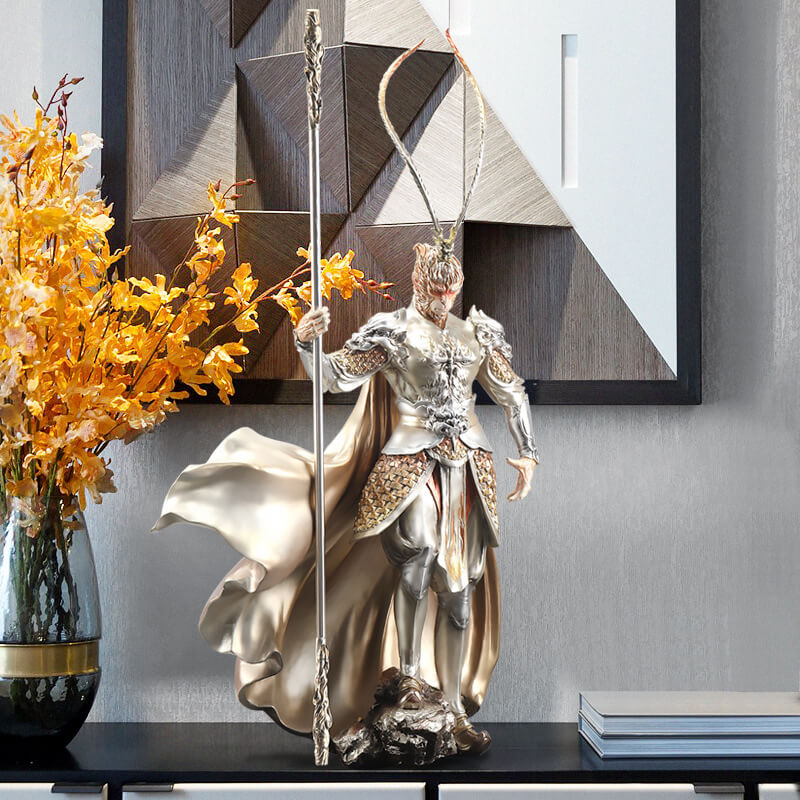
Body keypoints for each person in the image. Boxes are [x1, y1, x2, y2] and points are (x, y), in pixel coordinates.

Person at [292, 234, 538, 754]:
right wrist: (306, 344)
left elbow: (511, 391)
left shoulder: (477, 333)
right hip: (410, 463)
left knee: (460, 593)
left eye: (452, 290)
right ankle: (407, 677)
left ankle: (453, 708)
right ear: (419, 283)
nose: (444, 299)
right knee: (419, 553)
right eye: (436, 290)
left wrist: (529, 452)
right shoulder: (394, 332)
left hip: (468, 466)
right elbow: (334, 376)